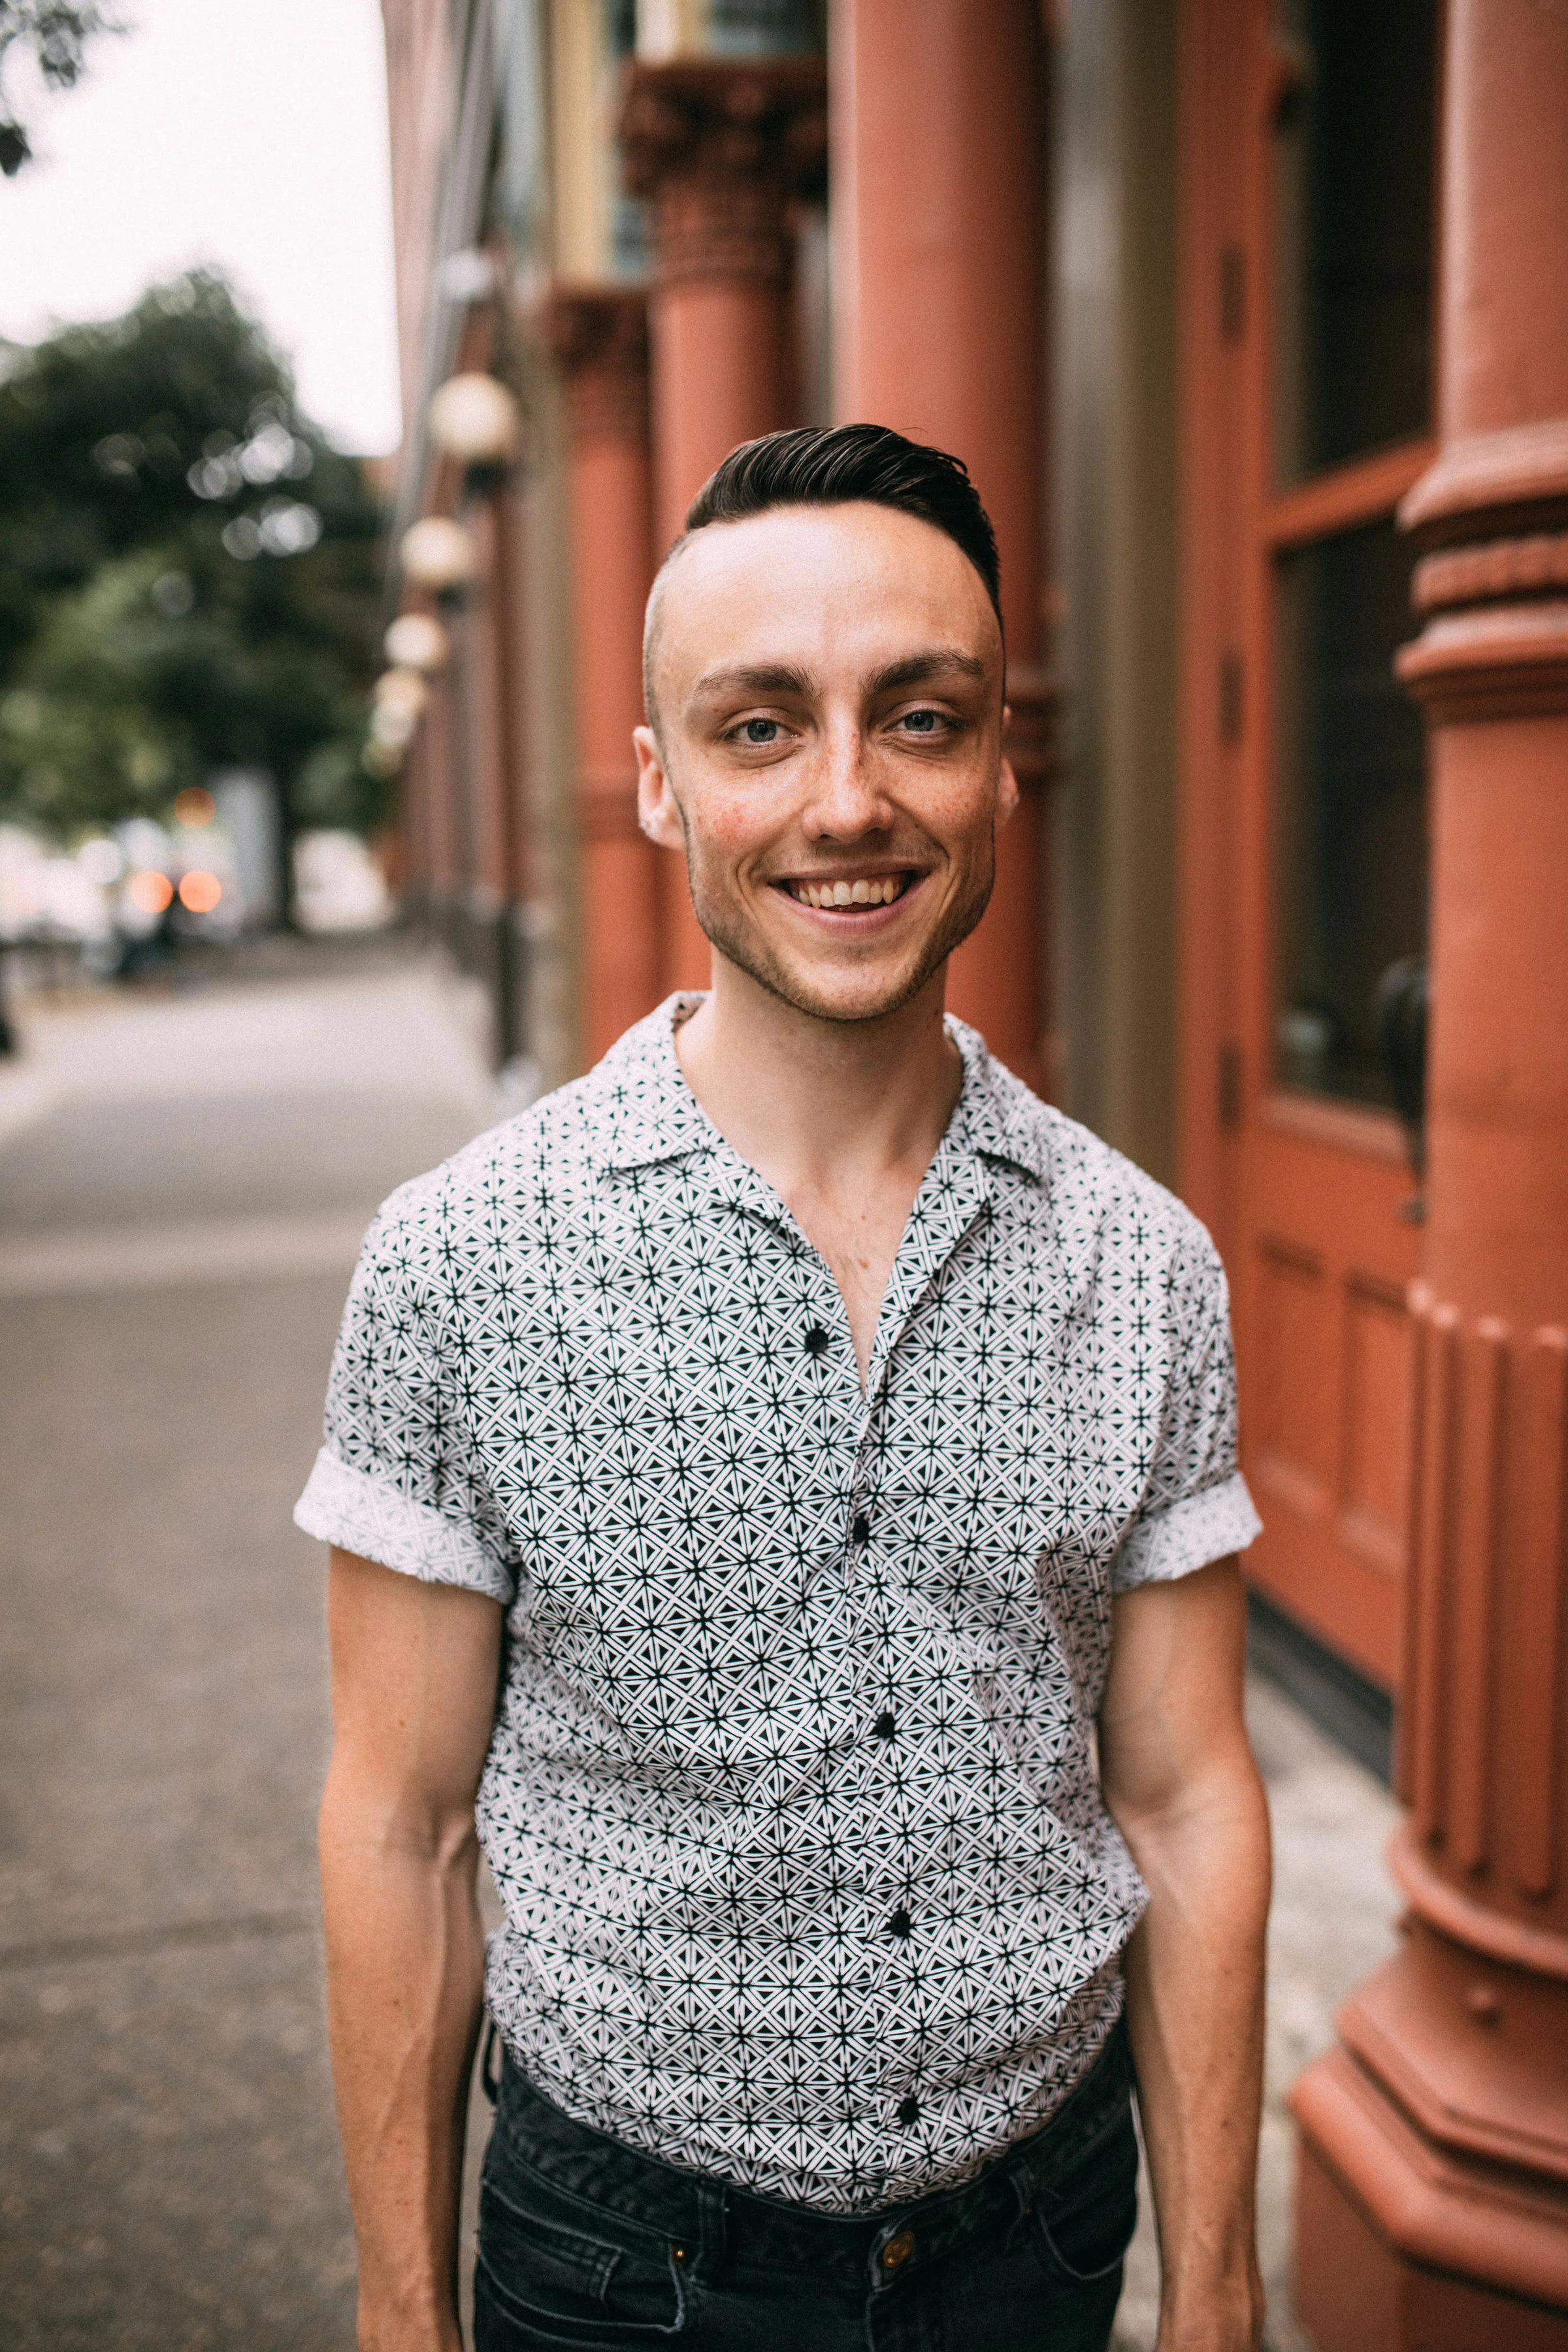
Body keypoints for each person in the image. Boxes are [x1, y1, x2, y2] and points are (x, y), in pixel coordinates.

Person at [300, 423, 1270, 2352]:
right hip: (619, 2268)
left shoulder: (1141, 1261)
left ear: (999, 763)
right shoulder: (464, 1259)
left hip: (1040, 2245)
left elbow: (1185, 1799)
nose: (850, 800)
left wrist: (1220, 2285)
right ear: (660, 786)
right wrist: (402, 2318)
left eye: (919, 718)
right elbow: (396, 1828)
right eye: (761, 728)